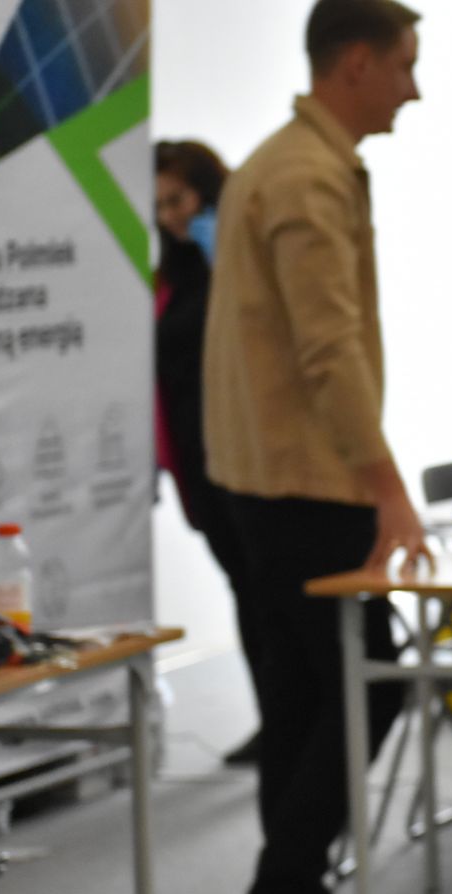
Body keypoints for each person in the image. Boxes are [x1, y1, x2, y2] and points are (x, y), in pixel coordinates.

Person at [202, 0, 430, 894]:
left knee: (301, 706)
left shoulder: (279, 162)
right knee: (365, 690)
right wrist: (389, 490)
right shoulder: (305, 176)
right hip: (305, 487)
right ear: (357, 63)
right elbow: (327, 350)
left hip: (262, 481)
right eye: (405, 66)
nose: (414, 90)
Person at [154, 139, 263, 767]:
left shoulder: (233, 260)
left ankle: (289, 722)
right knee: (244, 593)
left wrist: (220, 251)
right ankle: (272, 719)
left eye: (179, 199)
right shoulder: (170, 279)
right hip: (196, 467)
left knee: (267, 597)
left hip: (244, 461)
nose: (171, 215)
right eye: (161, 205)